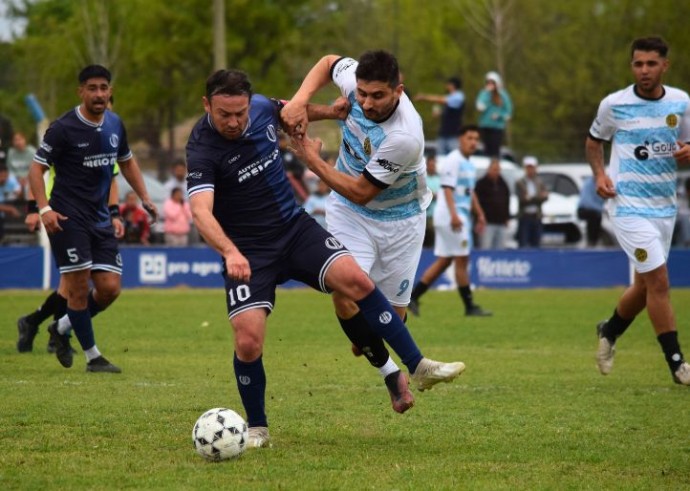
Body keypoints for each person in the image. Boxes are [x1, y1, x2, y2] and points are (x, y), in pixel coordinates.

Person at [186, 68, 464, 448]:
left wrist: (332, 113)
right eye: (225, 115)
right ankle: (258, 428)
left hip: (294, 229)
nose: (235, 122)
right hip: (249, 250)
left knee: (357, 284)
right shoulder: (201, 147)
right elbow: (201, 211)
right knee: (248, 341)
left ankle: (417, 366)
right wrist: (230, 251)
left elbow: (294, 112)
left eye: (241, 113)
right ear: (207, 106)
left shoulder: (264, 108)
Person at [284, 50, 464, 412]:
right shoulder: (354, 81)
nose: (366, 102)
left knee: (381, 326)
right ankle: (392, 374)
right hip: (348, 214)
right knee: (345, 292)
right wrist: (301, 101)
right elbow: (328, 61)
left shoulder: (405, 135)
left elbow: (362, 192)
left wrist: (311, 159)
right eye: (362, 93)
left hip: (400, 220)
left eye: (377, 96)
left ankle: (370, 345)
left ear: (398, 90)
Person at [28, 64, 158, 373]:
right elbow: (36, 170)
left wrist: (145, 198)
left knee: (110, 288)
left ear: (110, 91)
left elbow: (126, 162)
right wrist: (44, 209)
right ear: (81, 92)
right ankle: (93, 357)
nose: (98, 94)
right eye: (92, 88)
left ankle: (60, 327)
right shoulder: (63, 128)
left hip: (100, 219)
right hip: (67, 219)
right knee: (77, 285)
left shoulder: (115, 124)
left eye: (103, 88)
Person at [585, 36, 690, 385]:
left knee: (645, 287)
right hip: (627, 206)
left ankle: (610, 330)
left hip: (665, 207)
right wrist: (600, 175)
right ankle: (677, 364)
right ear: (632, 66)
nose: (644, 70)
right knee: (659, 281)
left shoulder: (680, 101)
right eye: (638, 64)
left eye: (651, 63)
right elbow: (594, 140)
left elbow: (686, 142)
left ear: (664, 65)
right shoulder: (614, 104)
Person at [407, 125, 491, 317]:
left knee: (445, 261)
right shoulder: (454, 160)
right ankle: (470, 306)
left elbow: (470, 192)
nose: (473, 142)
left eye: (476, 139)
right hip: (452, 217)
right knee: (462, 259)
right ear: (460, 139)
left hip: (455, 216)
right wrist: (454, 215)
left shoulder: (469, 163)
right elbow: (447, 189)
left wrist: (480, 214)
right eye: (469, 138)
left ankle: (414, 296)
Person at [415, 76, 465, 156]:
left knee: (454, 156)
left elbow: (441, 100)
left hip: (453, 134)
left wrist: (424, 97)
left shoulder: (458, 96)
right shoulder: (450, 97)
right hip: (443, 133)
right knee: (440, 158)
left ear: (452, 85)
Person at [475, 157, 511, 249]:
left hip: (501, 222)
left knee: (500, 248)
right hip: (487, 223)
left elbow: (507, 200)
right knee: (486, 247)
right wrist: (478, 218)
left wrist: (507, 217)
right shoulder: (481, 184)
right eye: (494, 169)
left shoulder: (503, 184)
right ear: (489, 169)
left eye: (498, 170)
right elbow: (475, 202)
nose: (496, 172)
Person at [475, 71, 512, 158]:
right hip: (484, 126)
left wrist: (499, 115)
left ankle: (494, 166)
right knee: (485, 150)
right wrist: (487, 95)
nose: (490, 84)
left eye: (492, 82)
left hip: (497, 127)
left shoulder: (503, 95)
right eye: (488, 82)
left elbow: (508, 113)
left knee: (495, 150)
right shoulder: (483, 93)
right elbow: (480, 107)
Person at [515, 156, 548, 248]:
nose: (530, 170)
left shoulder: (539, 182)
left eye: (532, 167)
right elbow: (522, 199)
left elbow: (545, 196)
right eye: (528, 167)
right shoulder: (520, 182)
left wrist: (531, 198)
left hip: (536, 216)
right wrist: (537, 198)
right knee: (523, 243)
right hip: (525, 216)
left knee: (536, 243)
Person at [577, 176, 605, 247]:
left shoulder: (601, 183)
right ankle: (591, 241)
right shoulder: (588, 184)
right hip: (583, 210)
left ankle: (594, 240)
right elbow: (587, 202)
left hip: (596, 210)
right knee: (594, 216)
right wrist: (602, 209)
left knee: (597, 216)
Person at [424, 151, 441, 247]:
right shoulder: (423, 178)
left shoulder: (439, 179)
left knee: (435, 238)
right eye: (431, 165)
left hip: (436, 214)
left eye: (434, 165)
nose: (432, 167)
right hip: (425, 213)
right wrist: (432, 195)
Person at [0, 164, 21, 241]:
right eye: (1, 176)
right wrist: (10, 209)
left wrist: (19, 193)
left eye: (5, 176)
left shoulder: (11, 180)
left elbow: (19, 193)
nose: (4, 178)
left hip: (7, 204)